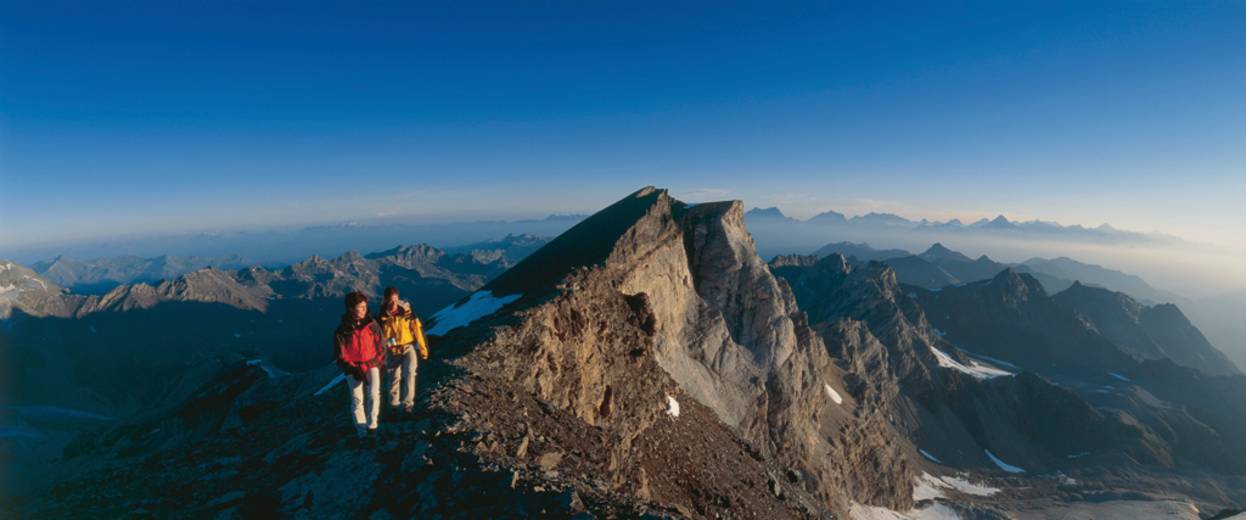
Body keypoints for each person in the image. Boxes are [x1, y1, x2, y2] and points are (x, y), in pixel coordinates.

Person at [334, 291, 386, 437]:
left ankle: (372, 426)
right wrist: (351, 368)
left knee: (374, 394)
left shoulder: (372, 325)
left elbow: (381, 346)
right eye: (360, 307)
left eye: (365, 306)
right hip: (353, 368)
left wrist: (379, 363)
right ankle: (362, 432)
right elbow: (340, 355)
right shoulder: (342, 330)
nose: (364, 310)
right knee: (357, 400)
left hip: (371, 364)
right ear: (351, 309)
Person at [377, 287, 429, 413]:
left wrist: (423, 350)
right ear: (385, 301)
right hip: (392, 350)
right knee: (394, 378)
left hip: (408, 347)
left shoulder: (407, 313)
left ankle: (407, 405)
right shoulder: (380, 318)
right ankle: (394, 406)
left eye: (395, 300)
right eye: (391, 301)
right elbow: (377, 339)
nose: (393, 304)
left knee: (410, 372)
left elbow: (418, 330)